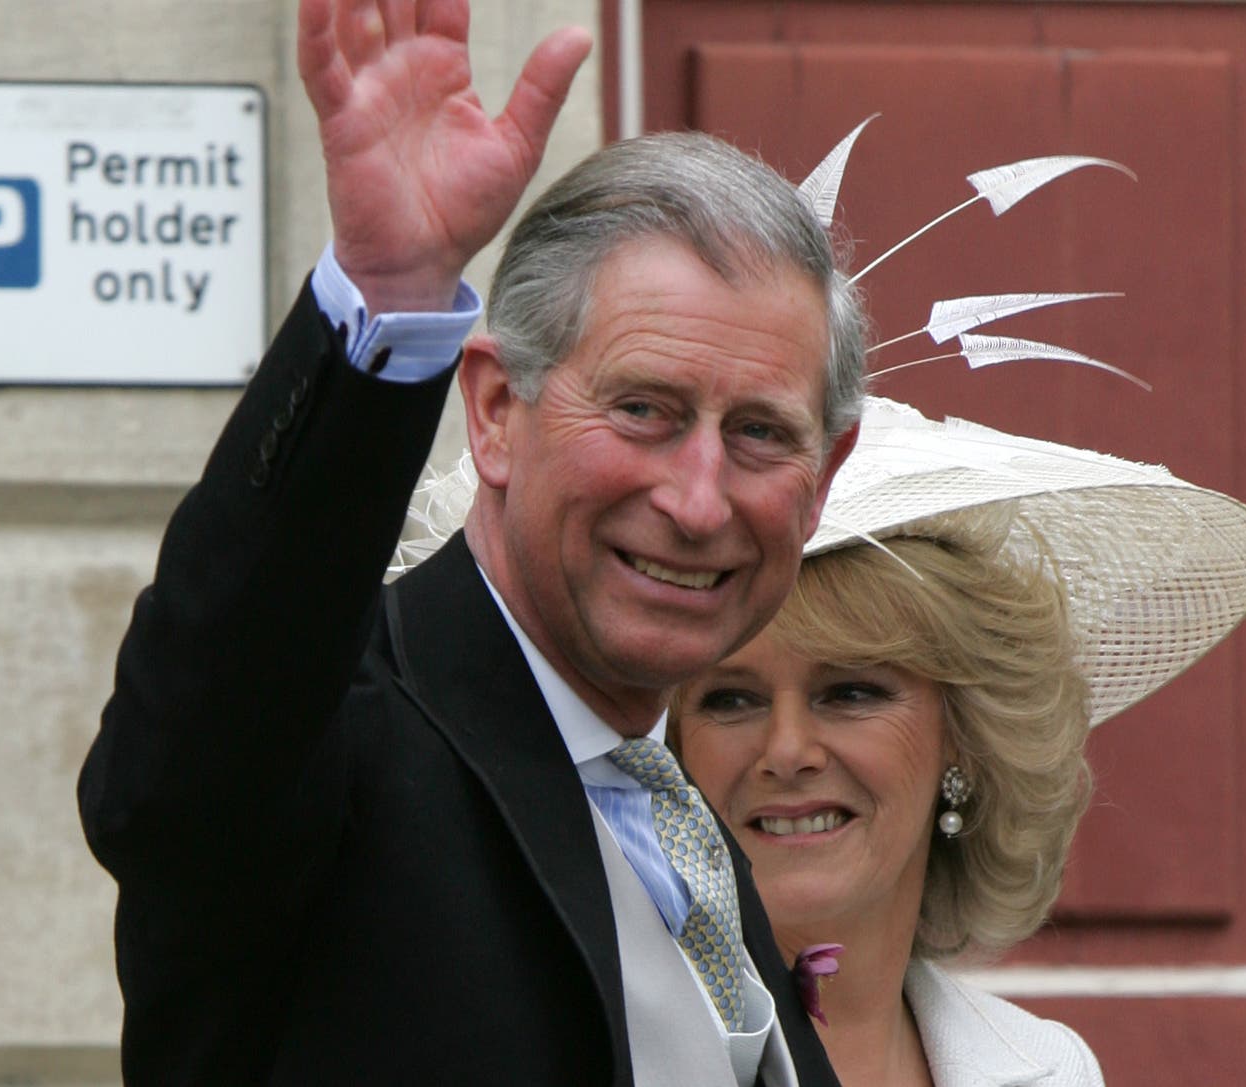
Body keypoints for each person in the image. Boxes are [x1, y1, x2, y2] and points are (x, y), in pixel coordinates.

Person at [75, 0, 863, 1083]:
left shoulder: (686, 823)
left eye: (760, 434)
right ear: (493, 412)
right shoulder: (339, 735)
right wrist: (387, 304)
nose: (696, 498)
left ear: (826, 474)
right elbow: (183, 760)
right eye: (643, 410)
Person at [671, 396, 1246, 1086]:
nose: (786, 749)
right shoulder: (590, 1043)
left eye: (851, 692)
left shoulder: (1046, 1069)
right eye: (731, 698)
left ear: (962, 732)